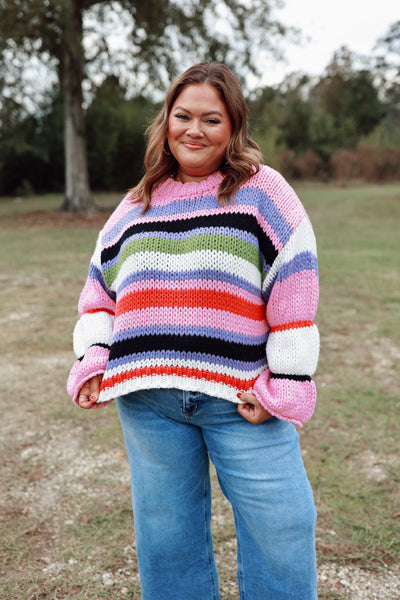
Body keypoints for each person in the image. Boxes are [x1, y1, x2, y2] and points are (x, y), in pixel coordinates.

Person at [67, 62, 320, 600]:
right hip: (149, 399)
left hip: (242, 399)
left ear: (233, 127)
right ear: (166, 121)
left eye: (212, 118)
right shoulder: (136, 205)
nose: (194, 130)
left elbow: (295, 289)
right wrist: (93, 358)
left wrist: (289, 385)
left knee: (284, 529)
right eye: (183, 116)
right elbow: (100, 291)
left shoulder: (263, 192)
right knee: (168, 545)